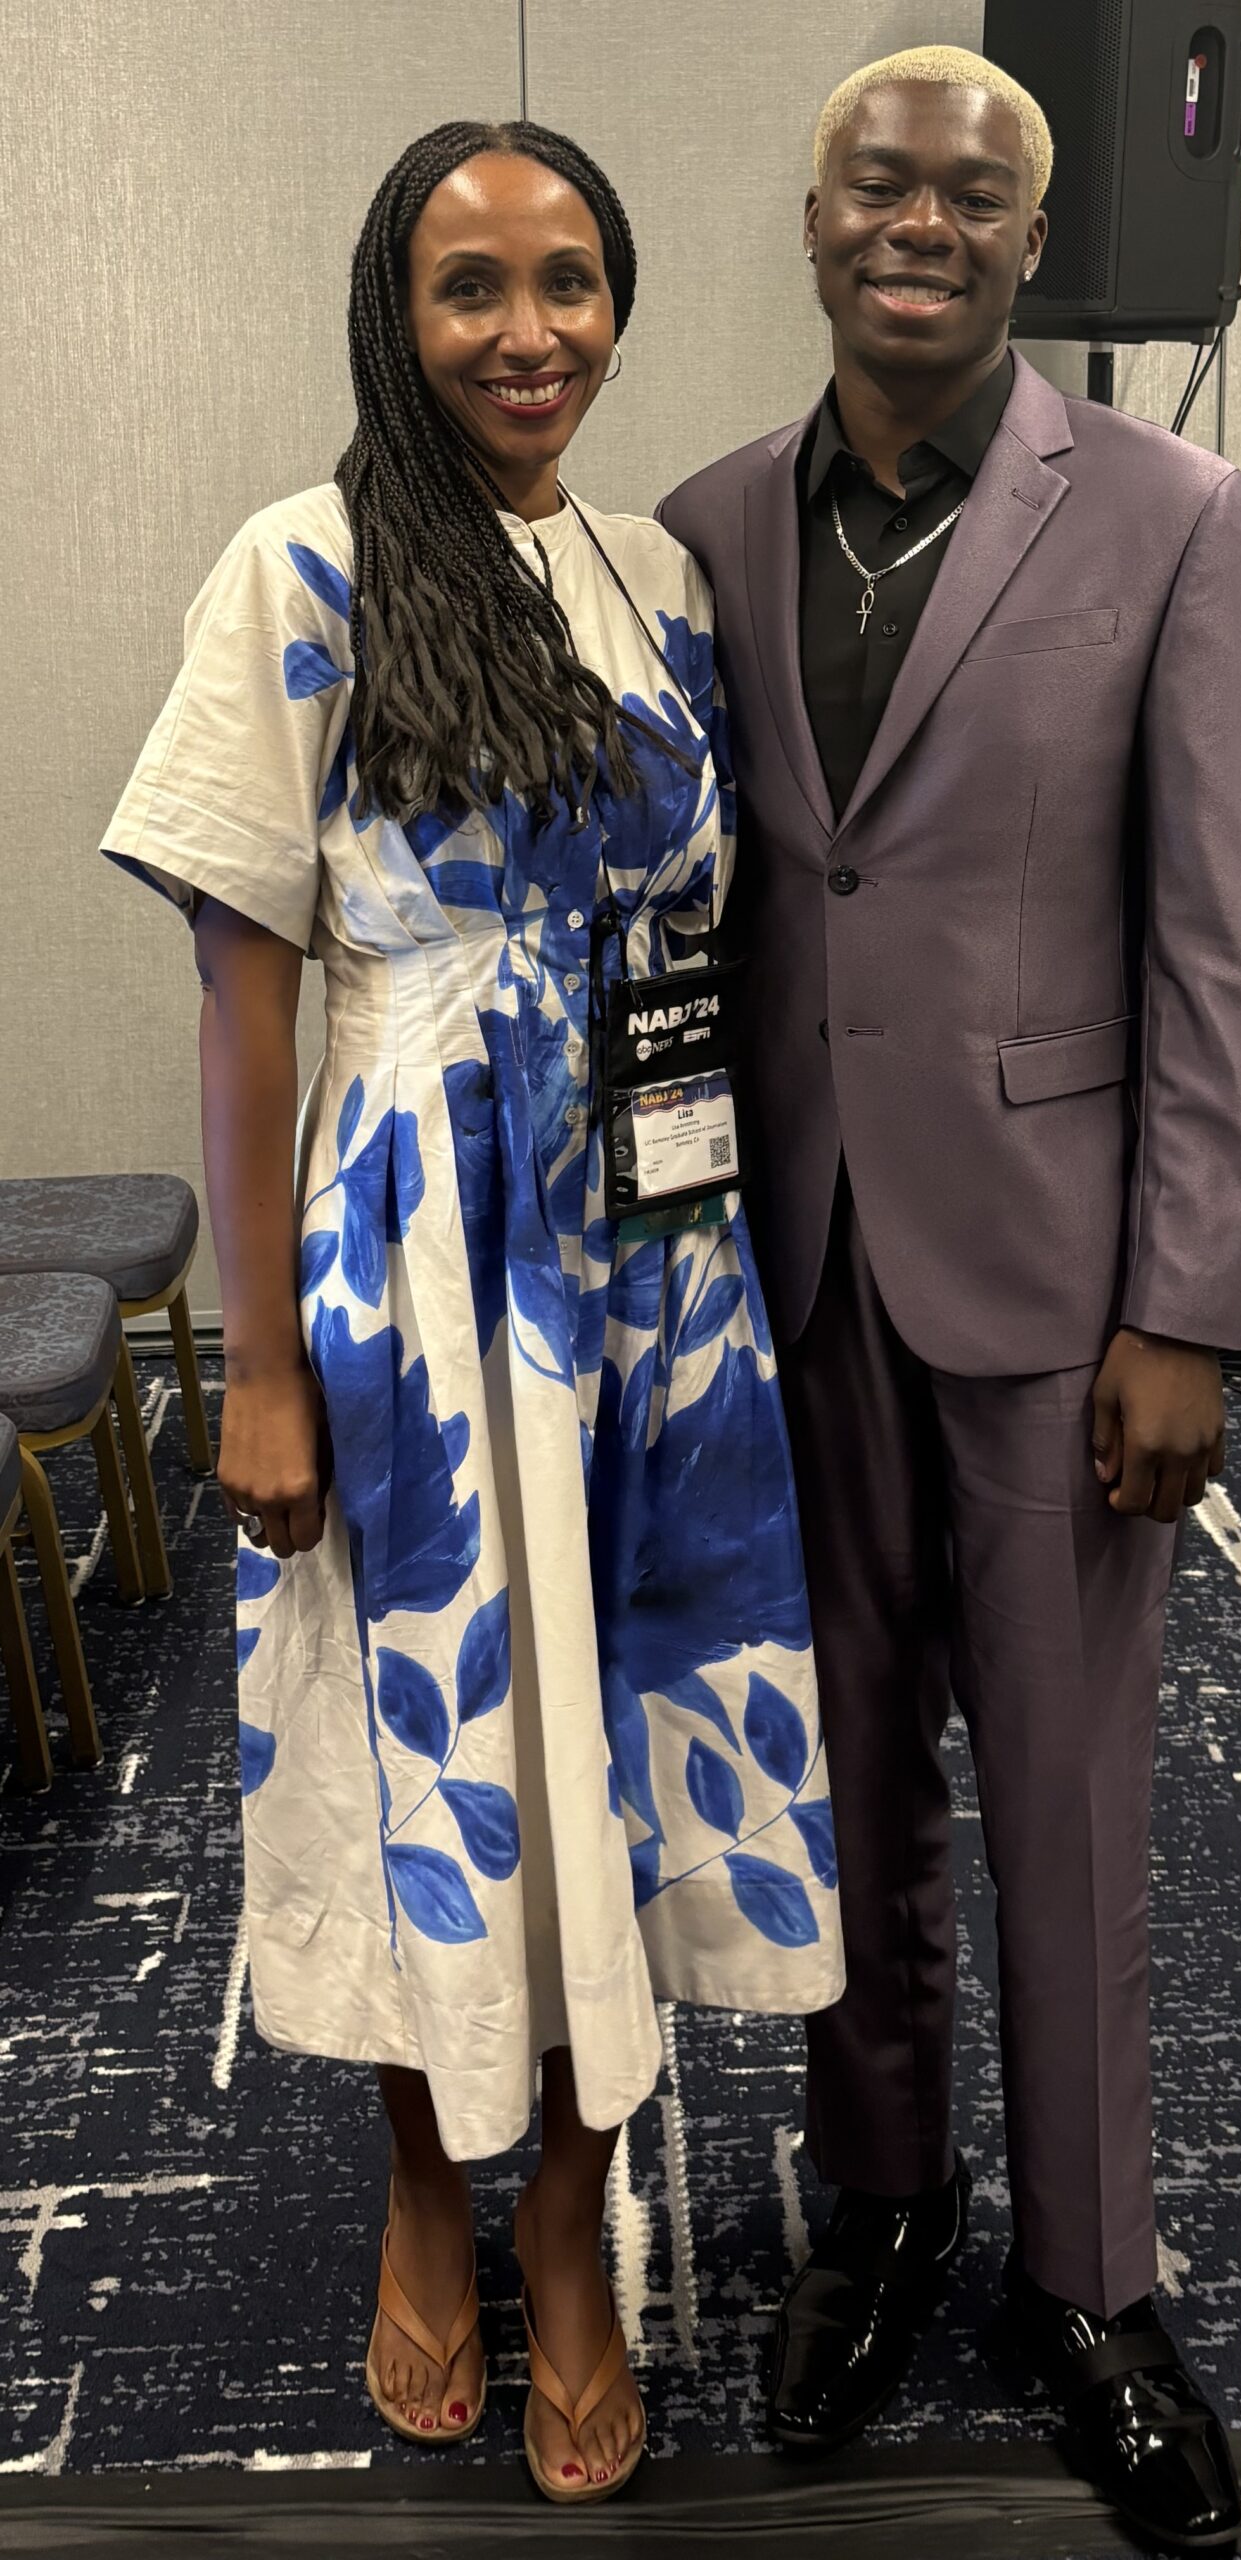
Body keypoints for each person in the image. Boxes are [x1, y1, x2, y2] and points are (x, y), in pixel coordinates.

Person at [101, 119, 842, 2504]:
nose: (527, 331)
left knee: (608, 1750)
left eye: (569, 281)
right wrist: (255, 1356)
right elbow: (244, 1005)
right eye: (467, 287)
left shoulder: (657, 577)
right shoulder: (296, 566)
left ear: (618, 302)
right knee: (441, 1752)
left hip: (656, 1261)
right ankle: (432, 2172)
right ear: (389, 316)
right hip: (417, 1261)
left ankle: (561, 2224)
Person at [660, 44, 1241, 2553]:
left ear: (1036, 240)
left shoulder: (1172, 514)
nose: (924, 220)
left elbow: (1209, 943)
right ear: (812, 215)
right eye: (880, 181)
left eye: (979, 192)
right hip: (785, 1272)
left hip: (1057, 1287)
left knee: (1067, 1796)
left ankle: (1090, 2281)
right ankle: (884, 2198)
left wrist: (1191, 1303)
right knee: (842, 1785)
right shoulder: (697, 525)